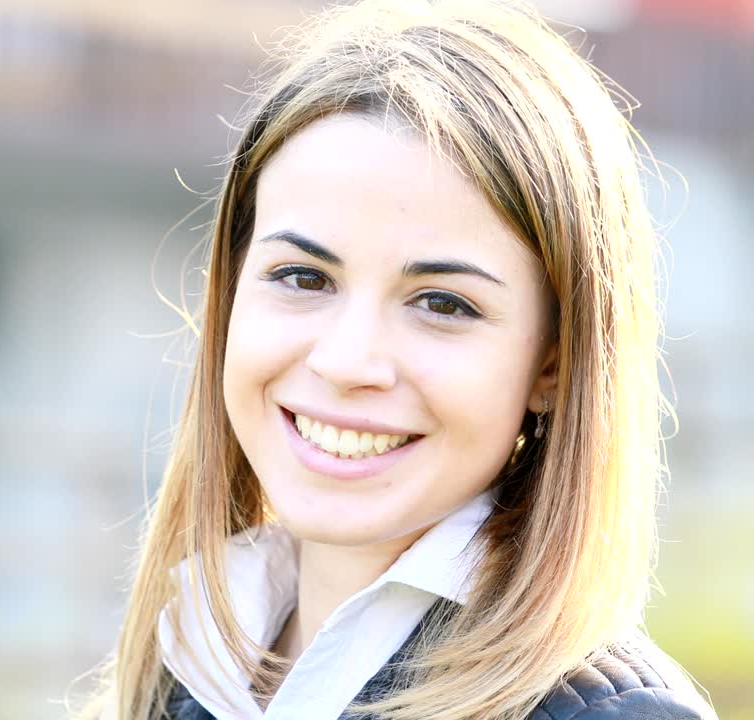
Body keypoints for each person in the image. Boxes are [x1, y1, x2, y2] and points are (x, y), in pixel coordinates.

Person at [71, 1, 720, 719]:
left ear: (553, 365)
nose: (347, 362)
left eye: (442, 303)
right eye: (303, 278)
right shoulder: (191, 657)